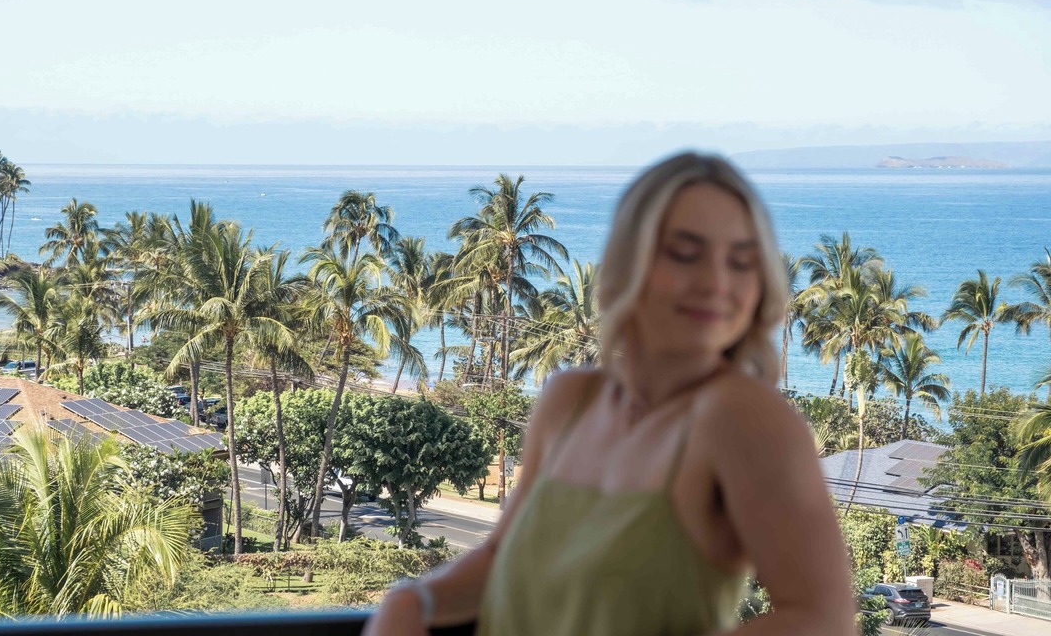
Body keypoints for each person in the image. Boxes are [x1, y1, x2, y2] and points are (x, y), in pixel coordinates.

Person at [362, 153, 855, 636]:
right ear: (627, 262)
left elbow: (822, 620)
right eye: (684, 253)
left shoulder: (743, 418)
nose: (716, 282)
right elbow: (499, 561)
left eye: (742, 261)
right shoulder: (570, 400)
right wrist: (412, 600)